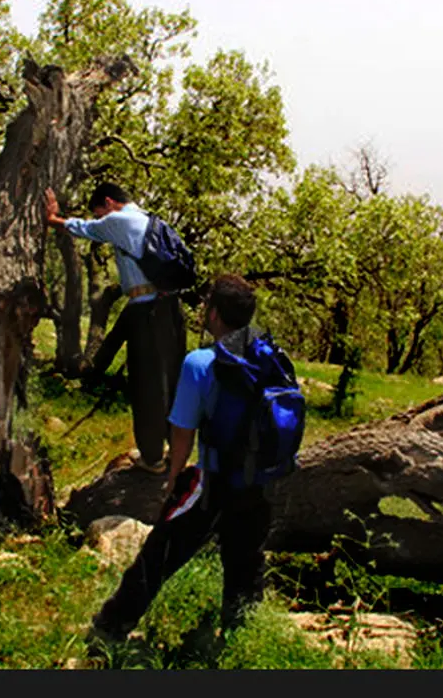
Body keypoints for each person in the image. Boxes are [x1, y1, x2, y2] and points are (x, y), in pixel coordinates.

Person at [86, 274, 274, 649]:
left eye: (208, 307)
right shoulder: (269, 356)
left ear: (215, 314)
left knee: (159, 554)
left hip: (213, 479)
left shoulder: (200, 363)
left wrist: (173, 478)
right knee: (245, 561)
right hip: (261, 481)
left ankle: (108, 629)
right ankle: (242, 640)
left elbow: (183, 432)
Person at [43, 182, 187, 474]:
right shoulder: (151, 219)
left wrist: (53, 218)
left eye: (100, 211)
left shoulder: (118, 220)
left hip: (147, 312)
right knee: (172, 381)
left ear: (108, 203)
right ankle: (177, 451)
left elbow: (84, 228)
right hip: (172, 309)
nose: (101, 218)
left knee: (146, 385)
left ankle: (152, 458)